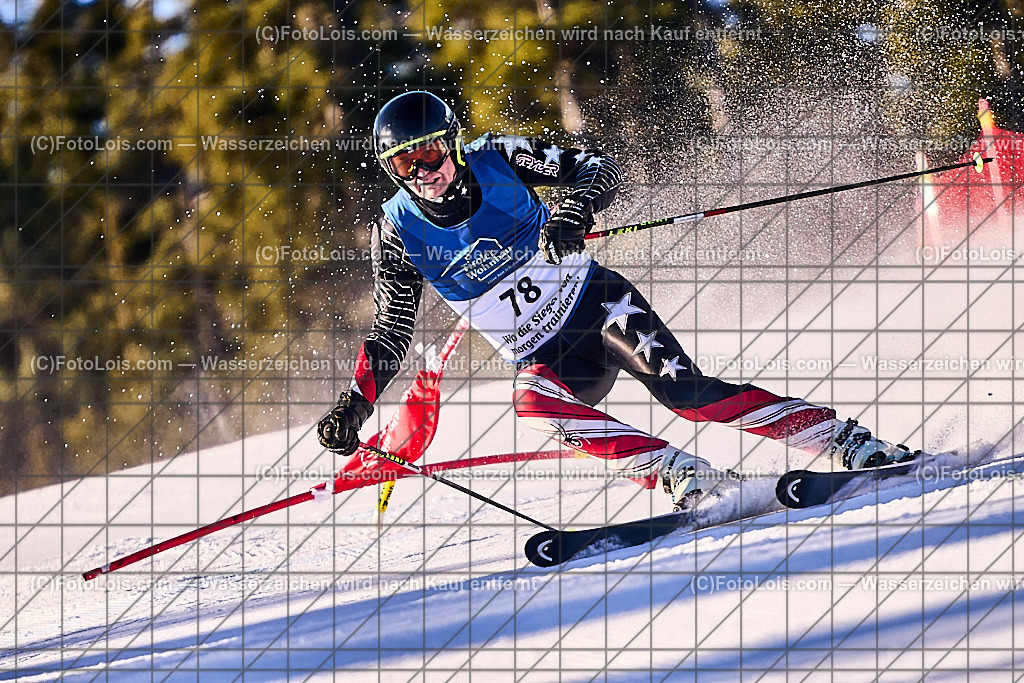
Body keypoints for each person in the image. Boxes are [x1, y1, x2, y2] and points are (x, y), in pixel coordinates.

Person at [317, 91, 918, 511]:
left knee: (686, 394)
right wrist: (355, 403)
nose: (423, 170)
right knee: (533, 406)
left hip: (598, 308)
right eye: (404, 160)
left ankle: (844, 441)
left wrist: (576, 209)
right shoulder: (397, 230)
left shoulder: (496, 156)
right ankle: (683, 475)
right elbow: (392, 329)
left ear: (450, 143)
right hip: (546, 356)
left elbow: (596, 166)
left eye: (429, 152)